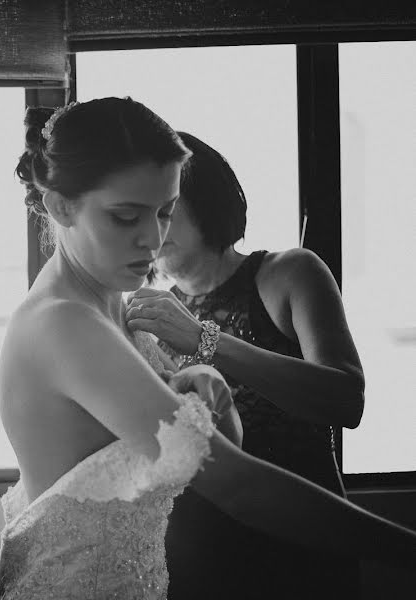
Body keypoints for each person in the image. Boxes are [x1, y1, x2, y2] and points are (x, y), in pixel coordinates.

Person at [0, 97, 416, 600]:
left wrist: (206, 384)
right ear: (60, 206)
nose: (152, 239)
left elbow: (219, 445)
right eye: (126, 217)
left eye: (165, 212)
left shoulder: (116, 304)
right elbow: (234, 482)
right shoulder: (65, 323)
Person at [126, 131, 363, 598]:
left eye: (166, 211)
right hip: (202, 553)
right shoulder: (149, 316)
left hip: (300, 541)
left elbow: (345, 401)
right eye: (137, 214)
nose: (152, 232)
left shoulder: (287, 273)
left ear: (208, 203)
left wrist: (202, 338)